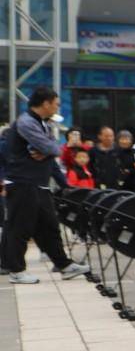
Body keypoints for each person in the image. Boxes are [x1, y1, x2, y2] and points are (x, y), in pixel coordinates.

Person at [0, 88, 90, 283]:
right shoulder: (26, 122)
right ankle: (16, 270)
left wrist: (48, 151)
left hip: (38, 184)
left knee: (49, 226)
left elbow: (50, 149)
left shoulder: (42, 123)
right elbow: (53, 147)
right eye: (56, 103)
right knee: (20, 227)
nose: (57, 107)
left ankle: (64, 265)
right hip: (22, 183)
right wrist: (49, 150)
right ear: (46, 103)